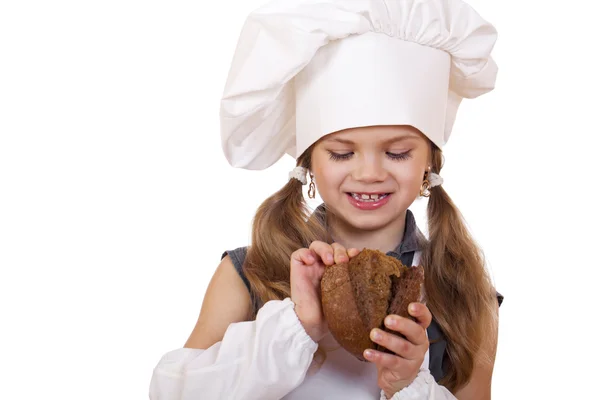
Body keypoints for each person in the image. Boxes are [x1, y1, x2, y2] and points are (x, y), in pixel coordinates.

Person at [149, 0, 503, 398]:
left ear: (429, 163)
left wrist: (408, 385)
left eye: (398, 152)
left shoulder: (462, 291)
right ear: (309, 162)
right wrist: (293, 329)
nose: (369, 173)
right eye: (341, 153)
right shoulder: (249, 275)